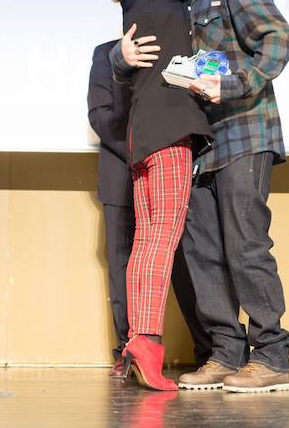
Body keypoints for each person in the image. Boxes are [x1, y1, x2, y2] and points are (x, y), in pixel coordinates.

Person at [114, 0, 289, 393]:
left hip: (243, 131)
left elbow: (279, 38)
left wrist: (236, 83)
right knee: (200, 252)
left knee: (245, 245)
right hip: (195, 139)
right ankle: (225, 352)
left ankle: (272, 355)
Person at [110, 0, 235, 390]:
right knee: (161, 241)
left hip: (145, 138)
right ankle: (145, 345)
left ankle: (138, 343)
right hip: (168, 136)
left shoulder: (137, 3)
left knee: (147, 242)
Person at [87, 39, 212, 378]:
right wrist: (139, 147)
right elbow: (99, 115)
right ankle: (126, 351)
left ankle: (208, 349)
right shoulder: (105, 53)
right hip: (120, 172)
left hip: (167, 166)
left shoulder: (176, 49)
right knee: (122, 265)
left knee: (184, 262)